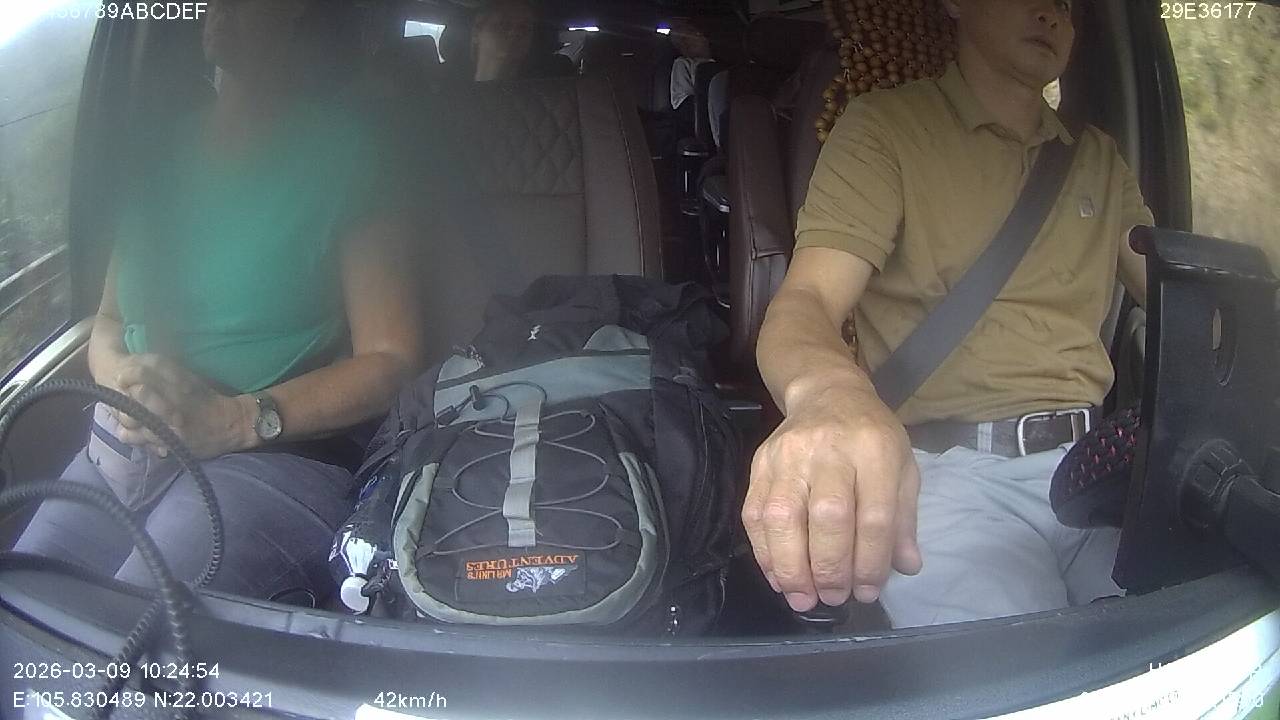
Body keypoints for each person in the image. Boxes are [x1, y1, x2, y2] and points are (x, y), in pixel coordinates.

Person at [746, 0, 1154, 628]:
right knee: (1024, 671)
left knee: (1176, 639)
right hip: (950, 477)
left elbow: (1180, 297)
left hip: (1094, 471)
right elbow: (807, 302)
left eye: (1067, 6)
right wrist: (829, 395)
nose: (1051, 14)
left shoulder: (1099, 158)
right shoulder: (886, 128)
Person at [10, 0, 424, 604]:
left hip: (277, 452)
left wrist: (232, 420)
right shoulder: (155, 156)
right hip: (128, 446)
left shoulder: (353, 153)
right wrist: (125, 380)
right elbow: (109, 319)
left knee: (138, 628)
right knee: (25, 600)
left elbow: (392, 358)